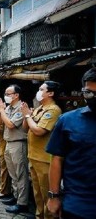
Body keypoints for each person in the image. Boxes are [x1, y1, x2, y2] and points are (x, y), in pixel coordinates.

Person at [46, 68, 96, 218]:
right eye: (89, 92)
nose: (94, 97)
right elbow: (57, 159)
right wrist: (53, 196)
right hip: (76, 204)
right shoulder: (68, 120)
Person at [20, 81, 62, 219]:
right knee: (37, 193)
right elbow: (26, 128)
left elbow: (38, 130)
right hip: (33, 156)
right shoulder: (39, 108)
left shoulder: (53, 110)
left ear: (50, 93)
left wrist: (27, 116)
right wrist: (26, 115)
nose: (38, 91)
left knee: (46, 194)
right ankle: (39, 216)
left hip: (44, 159)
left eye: (41, 89)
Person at [0, 84, 29, 214]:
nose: (6, 96)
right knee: (13, 174)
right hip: (8, 143)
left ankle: (22, 203)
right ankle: (16, 197)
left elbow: (10, 124)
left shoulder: (21, 108)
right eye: (5, 93)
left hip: (18, 143)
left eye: (8, 94)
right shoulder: (8, 108)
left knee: (21, 174)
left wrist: (2, 111)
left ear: (16, 95)